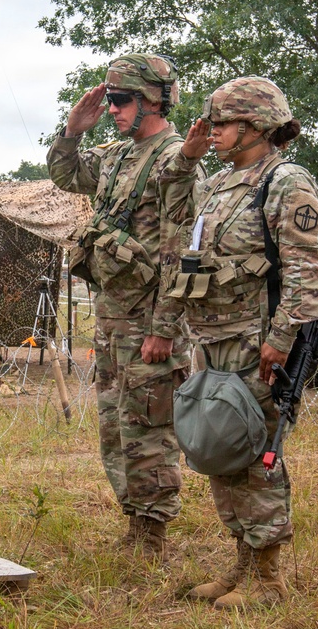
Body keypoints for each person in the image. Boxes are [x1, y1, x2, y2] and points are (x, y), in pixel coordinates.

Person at [175, 76, 318, 608]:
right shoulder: (220, 183)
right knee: (220, 447)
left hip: (257, 344)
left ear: (257, 125)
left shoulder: (286, 183)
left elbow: (308, 272)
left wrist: (281, 339)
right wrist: (188, 159)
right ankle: (241, 566)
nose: (212, 131)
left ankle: (269, 578)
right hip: (214, 339)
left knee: (258, 452)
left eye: (223, 123)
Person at [47, 53, 203, 562]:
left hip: (150, 321)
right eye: (110, 100)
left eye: (120, 100)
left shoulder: (176, 161)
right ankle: (134, 521)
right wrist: (73, 130)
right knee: (116, 426)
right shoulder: (117, 156)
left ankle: (153, 531)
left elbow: (181, 252)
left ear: (153, 100)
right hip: (114, 317)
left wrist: (164, 329)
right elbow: (66, 175)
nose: (111, 109)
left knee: (150, 426)